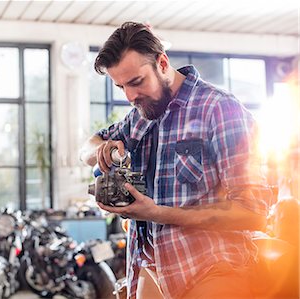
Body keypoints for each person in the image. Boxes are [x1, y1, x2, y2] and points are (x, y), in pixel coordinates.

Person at [79, 22, 271, 299]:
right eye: (121, 87)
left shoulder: (220, 109)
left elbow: (253, 213)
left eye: (136, 82)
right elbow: (87, 146)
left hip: (213, 268)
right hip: (150, 267)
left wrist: (156, 212)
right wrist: (103, 151)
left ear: (163, 63)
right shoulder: (139, 116)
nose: (130, 96)